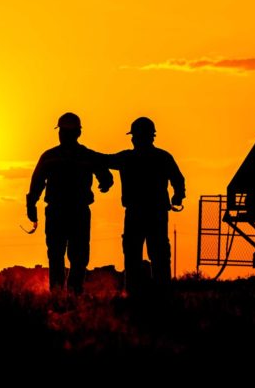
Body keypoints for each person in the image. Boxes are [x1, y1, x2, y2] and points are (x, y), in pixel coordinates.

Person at [27, 112, 113, 295]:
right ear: (78, 133)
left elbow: (36, 184)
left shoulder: (51, 156)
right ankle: (70, 293)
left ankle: (61, 293)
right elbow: (105, 176)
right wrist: (105, 182)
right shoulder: (85, 156)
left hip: (62, 212)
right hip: (76, 212)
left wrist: (31, 206)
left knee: (62, 255)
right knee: (74, 255)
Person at [103, 117, 184, 295]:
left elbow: (104, 160)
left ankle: (134, 293)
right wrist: (178, 196)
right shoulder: (163, 157)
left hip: (135, 214)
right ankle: (162, 294)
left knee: (133, 255)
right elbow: (178, 179)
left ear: (135, 137)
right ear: (152, 136)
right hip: (157, 214)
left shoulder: (127, 159)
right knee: (159, 255)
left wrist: (85, 155)